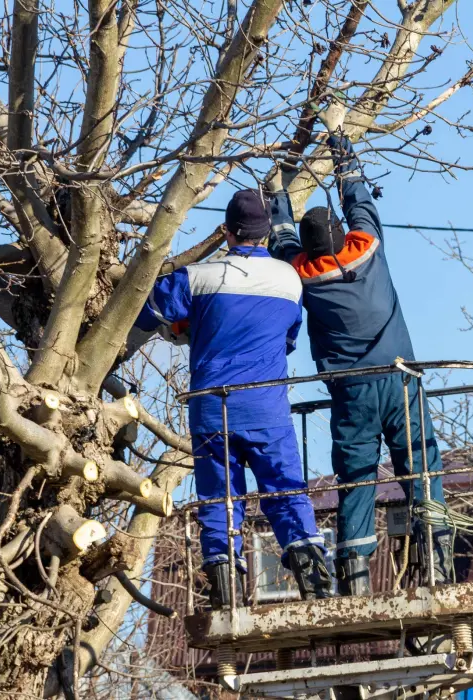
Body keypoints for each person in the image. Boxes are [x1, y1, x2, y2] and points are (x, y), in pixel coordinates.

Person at [267, 117, 452, 596]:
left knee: (356, 479)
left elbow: (281, 237)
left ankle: (355, 573)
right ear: (340, 234)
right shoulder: (367, 248)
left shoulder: (301, 273)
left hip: (352, 392)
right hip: (401, 380)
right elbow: (357, 195)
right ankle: (438, 552)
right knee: (421, 463)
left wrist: (277, 193)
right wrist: (338, 136)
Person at [134, 190, 332, 608]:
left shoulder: (198, 277)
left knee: (219, 497)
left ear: (227, 231)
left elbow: (145, 310)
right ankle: (314, 582)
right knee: (285, 491)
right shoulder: (289, 280)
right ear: (265, 235)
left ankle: (225, 593)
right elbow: (288, 340)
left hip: (213, 407)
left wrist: (189, 331)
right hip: (266, 407)